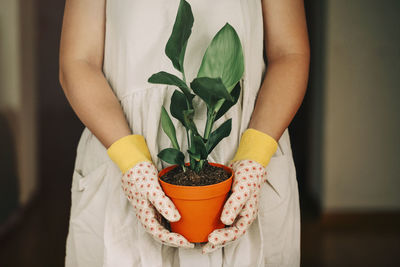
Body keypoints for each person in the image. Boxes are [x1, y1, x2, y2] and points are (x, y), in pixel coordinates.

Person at [59, 0, 310, 266]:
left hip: (249, 148)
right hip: (120, 146)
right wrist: (130, 160)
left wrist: (255, 155)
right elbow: (77, 61)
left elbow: (290, 52)